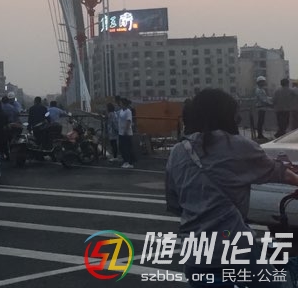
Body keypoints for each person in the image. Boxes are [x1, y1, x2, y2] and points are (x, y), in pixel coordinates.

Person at [166, 88, 298, 287]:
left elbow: (175, 204)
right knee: (280, 284)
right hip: (235, 249)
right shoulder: (237, 146)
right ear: (228, 115)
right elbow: (281, 173)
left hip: (195, 254)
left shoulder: (177, 151)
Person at [117, 98, 135, 168]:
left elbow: (128, 121)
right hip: (120, 132)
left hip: (126, 133)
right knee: (121, 147)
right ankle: (125, 161)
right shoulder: (121, 111)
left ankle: (129, 162)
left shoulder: (128, 111)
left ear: (124, 104)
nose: (120, 104)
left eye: (121, 103)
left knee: (127, 148)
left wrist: (125, 130)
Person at [254, 76, 272, 140]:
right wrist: (271, 104)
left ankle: (260, 134)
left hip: (262, 107)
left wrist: (271, 99)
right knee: (260, 121)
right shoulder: (259, 90)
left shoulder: (261, 89)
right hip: (260, 107)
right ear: (259, 82)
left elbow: (266, 98)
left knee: (261, 121)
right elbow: (263, 99)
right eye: (262, 82)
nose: (264, 83)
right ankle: (260, 135)